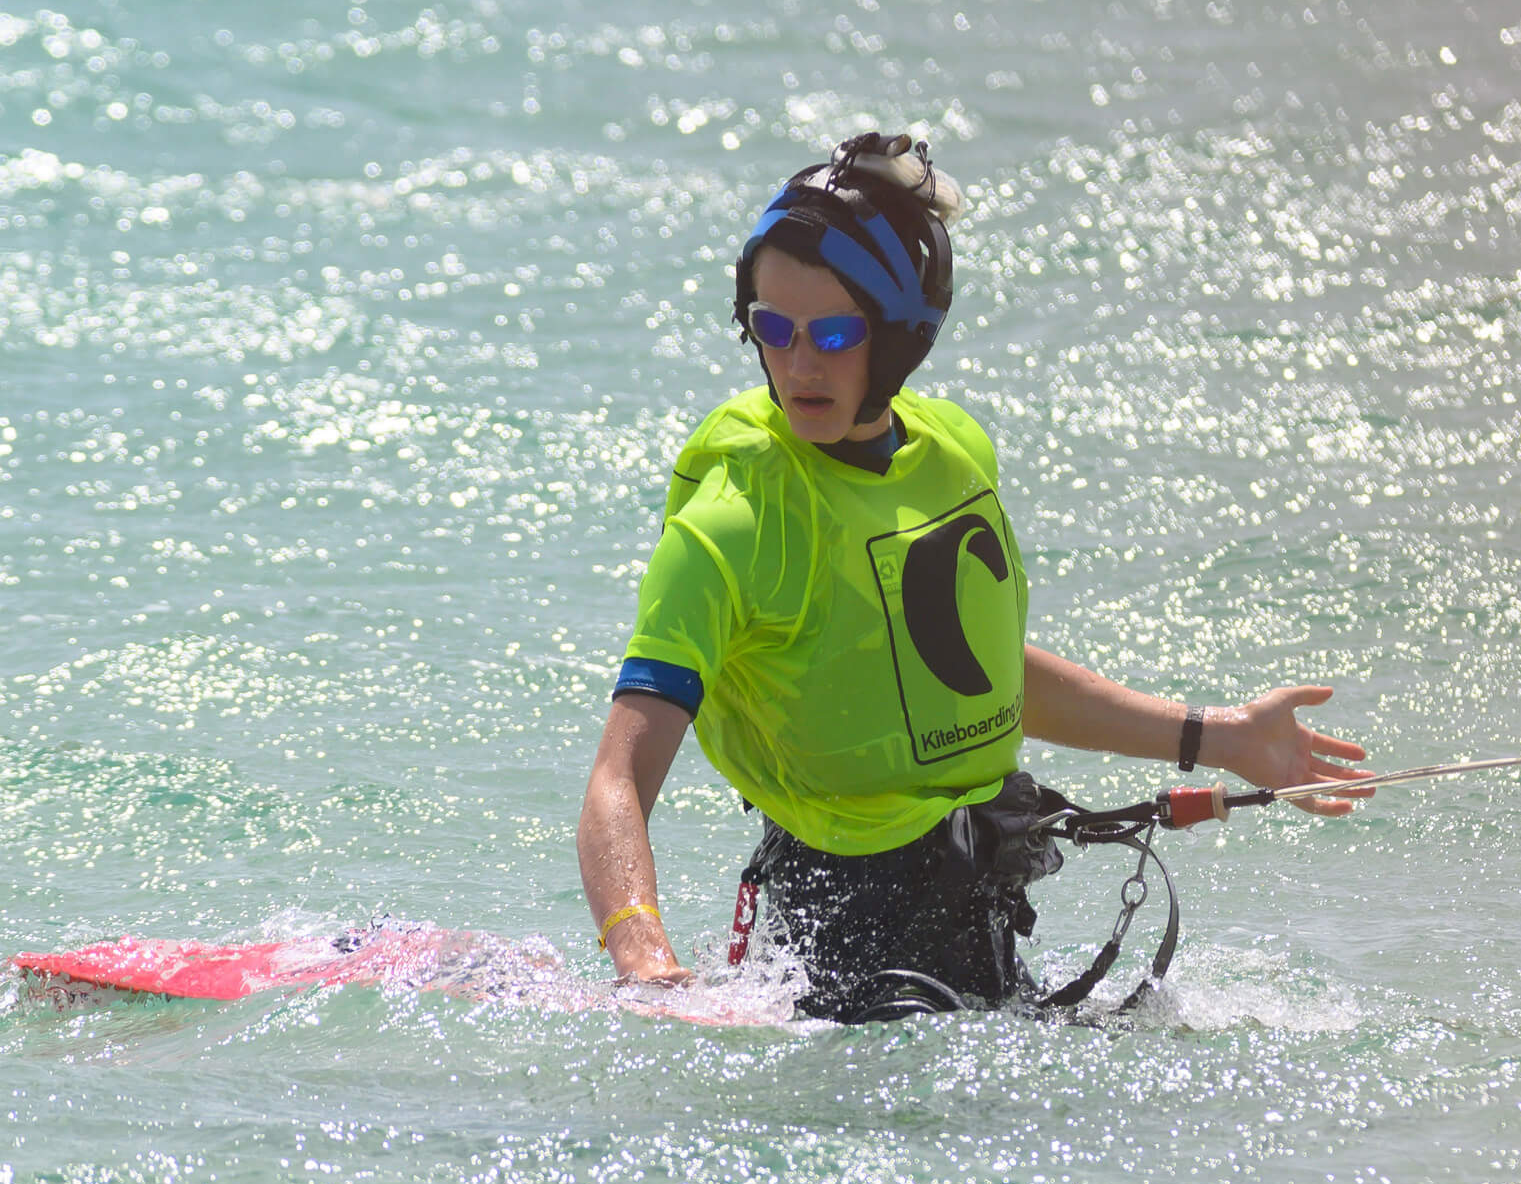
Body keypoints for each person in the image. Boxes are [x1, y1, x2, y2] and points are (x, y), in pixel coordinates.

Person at [577, 133, 1371, 1020]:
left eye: (834, 333)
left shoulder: (952, 454)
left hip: (979, 906)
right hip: (841, 948)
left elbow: (974, 674)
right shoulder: (732, 523)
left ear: (900, 334)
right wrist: (645, 958)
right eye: (773, 328)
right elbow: (619, 777)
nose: (799, 363)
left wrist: (1216, 736)